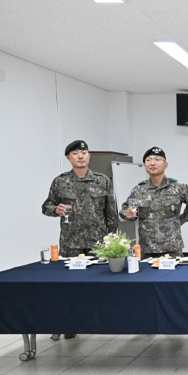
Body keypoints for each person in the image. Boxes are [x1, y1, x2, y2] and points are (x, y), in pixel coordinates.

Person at [42, 139, 119, 340]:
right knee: (70, 285)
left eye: (84, 153)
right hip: (71, 242)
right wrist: (55, 209)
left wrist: (112, 239)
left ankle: (103, 320)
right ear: (68, 158)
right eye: (75, 153)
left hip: (98, 243)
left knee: (101, 283)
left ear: (89, 156)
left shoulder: (102, 180)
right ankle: (68, 324)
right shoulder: (60, 181)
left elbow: (111, 211)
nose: (81, 156)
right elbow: (46, 206)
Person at [120, 147, 188, 257]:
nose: (152, 163)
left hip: (172, 247)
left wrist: (179, 221)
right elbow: (126, 209)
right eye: (148, 160)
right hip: (147, 247)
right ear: (145, 165)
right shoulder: (138, 189)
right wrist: (128, 214)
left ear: (166, 165)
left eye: (157, 159)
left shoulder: (178, 187)